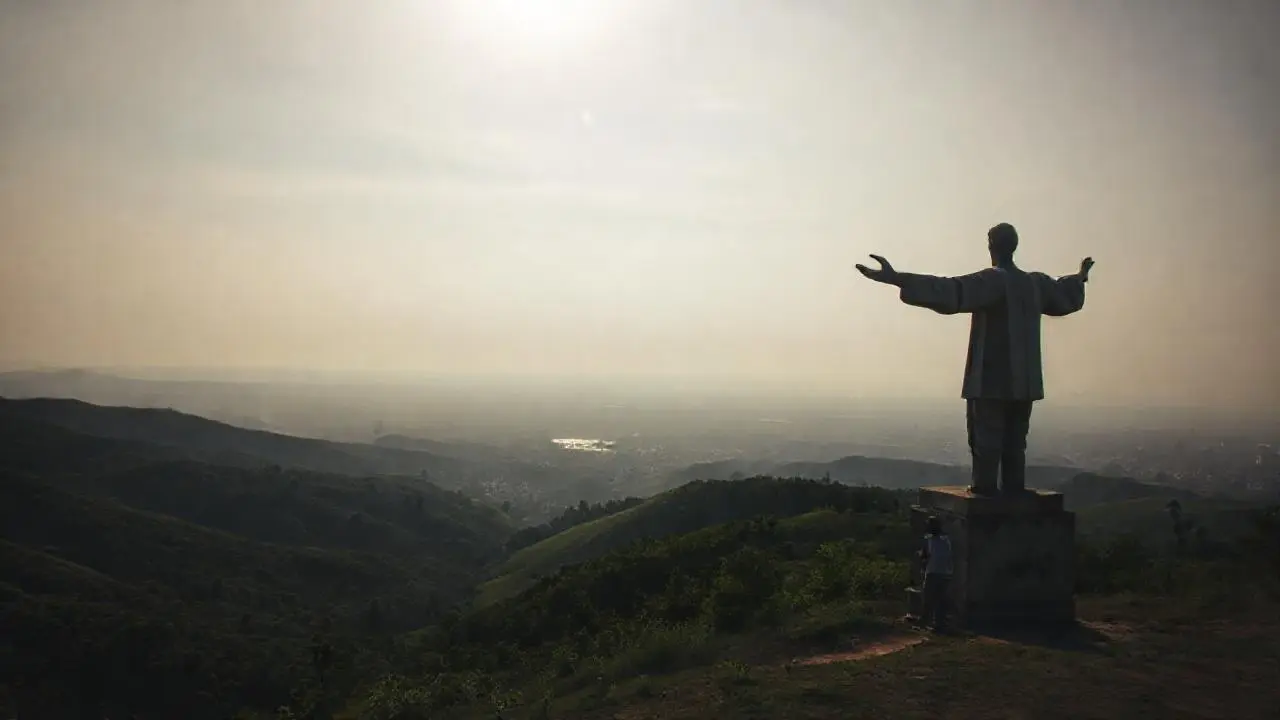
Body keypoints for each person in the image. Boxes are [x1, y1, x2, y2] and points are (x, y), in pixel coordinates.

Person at [855, 223, 1093, 495]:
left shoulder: (994, 280)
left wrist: (897, 278)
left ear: (991, 245)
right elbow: (1065, 295)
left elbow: (952, 291)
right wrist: (1080, 277)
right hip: (1025, 381)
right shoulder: (1034, 284)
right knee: (1016, 440)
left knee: (986, 439)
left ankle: (985, 488)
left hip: (990, 378)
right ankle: (1014, 489)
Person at [919, 515, 953, 631]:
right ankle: (939, 624)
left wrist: (922, 563)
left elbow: (924, 556)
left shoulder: (928, 539)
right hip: (945, 572)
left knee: (928, 599)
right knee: (941, 600)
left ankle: (925, 622)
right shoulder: (947, 540)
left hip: (932, 571)